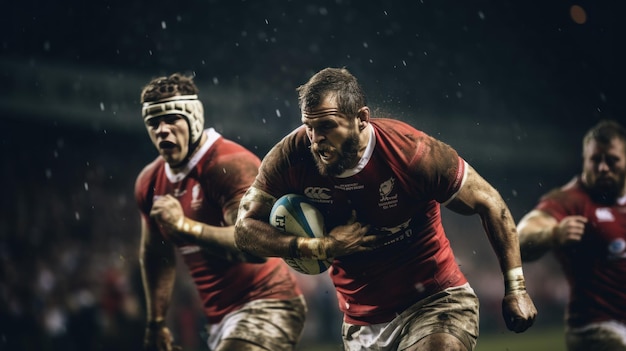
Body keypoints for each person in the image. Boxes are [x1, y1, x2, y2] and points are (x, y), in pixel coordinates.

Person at [234, 67, 537, 351]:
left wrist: (516, 288)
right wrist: (317, 246)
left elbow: (490, 202)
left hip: (434, 302)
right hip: (362, 323)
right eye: (310, 127)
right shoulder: (290, 156)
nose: (316, 140)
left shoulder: (413, 153)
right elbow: (244, 230)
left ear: (361, 118)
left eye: (327, 126)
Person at [135, 73, 306, 351]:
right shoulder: (149, 181)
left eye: (172, 119)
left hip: (269, 303)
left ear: (193, 117)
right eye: (153, 123)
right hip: (216, 319)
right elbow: (156, 254)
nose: (162, 130)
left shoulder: (229, 164)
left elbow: (254, 249)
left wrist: (185, 227)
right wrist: (156, 323)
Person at [517, 119, 626, 351]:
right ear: (584, 161)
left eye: (612, 160)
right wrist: (553, 233)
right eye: (595, 160)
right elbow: (521, 238)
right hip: (596, 329)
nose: (603, 167)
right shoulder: (569, 200)